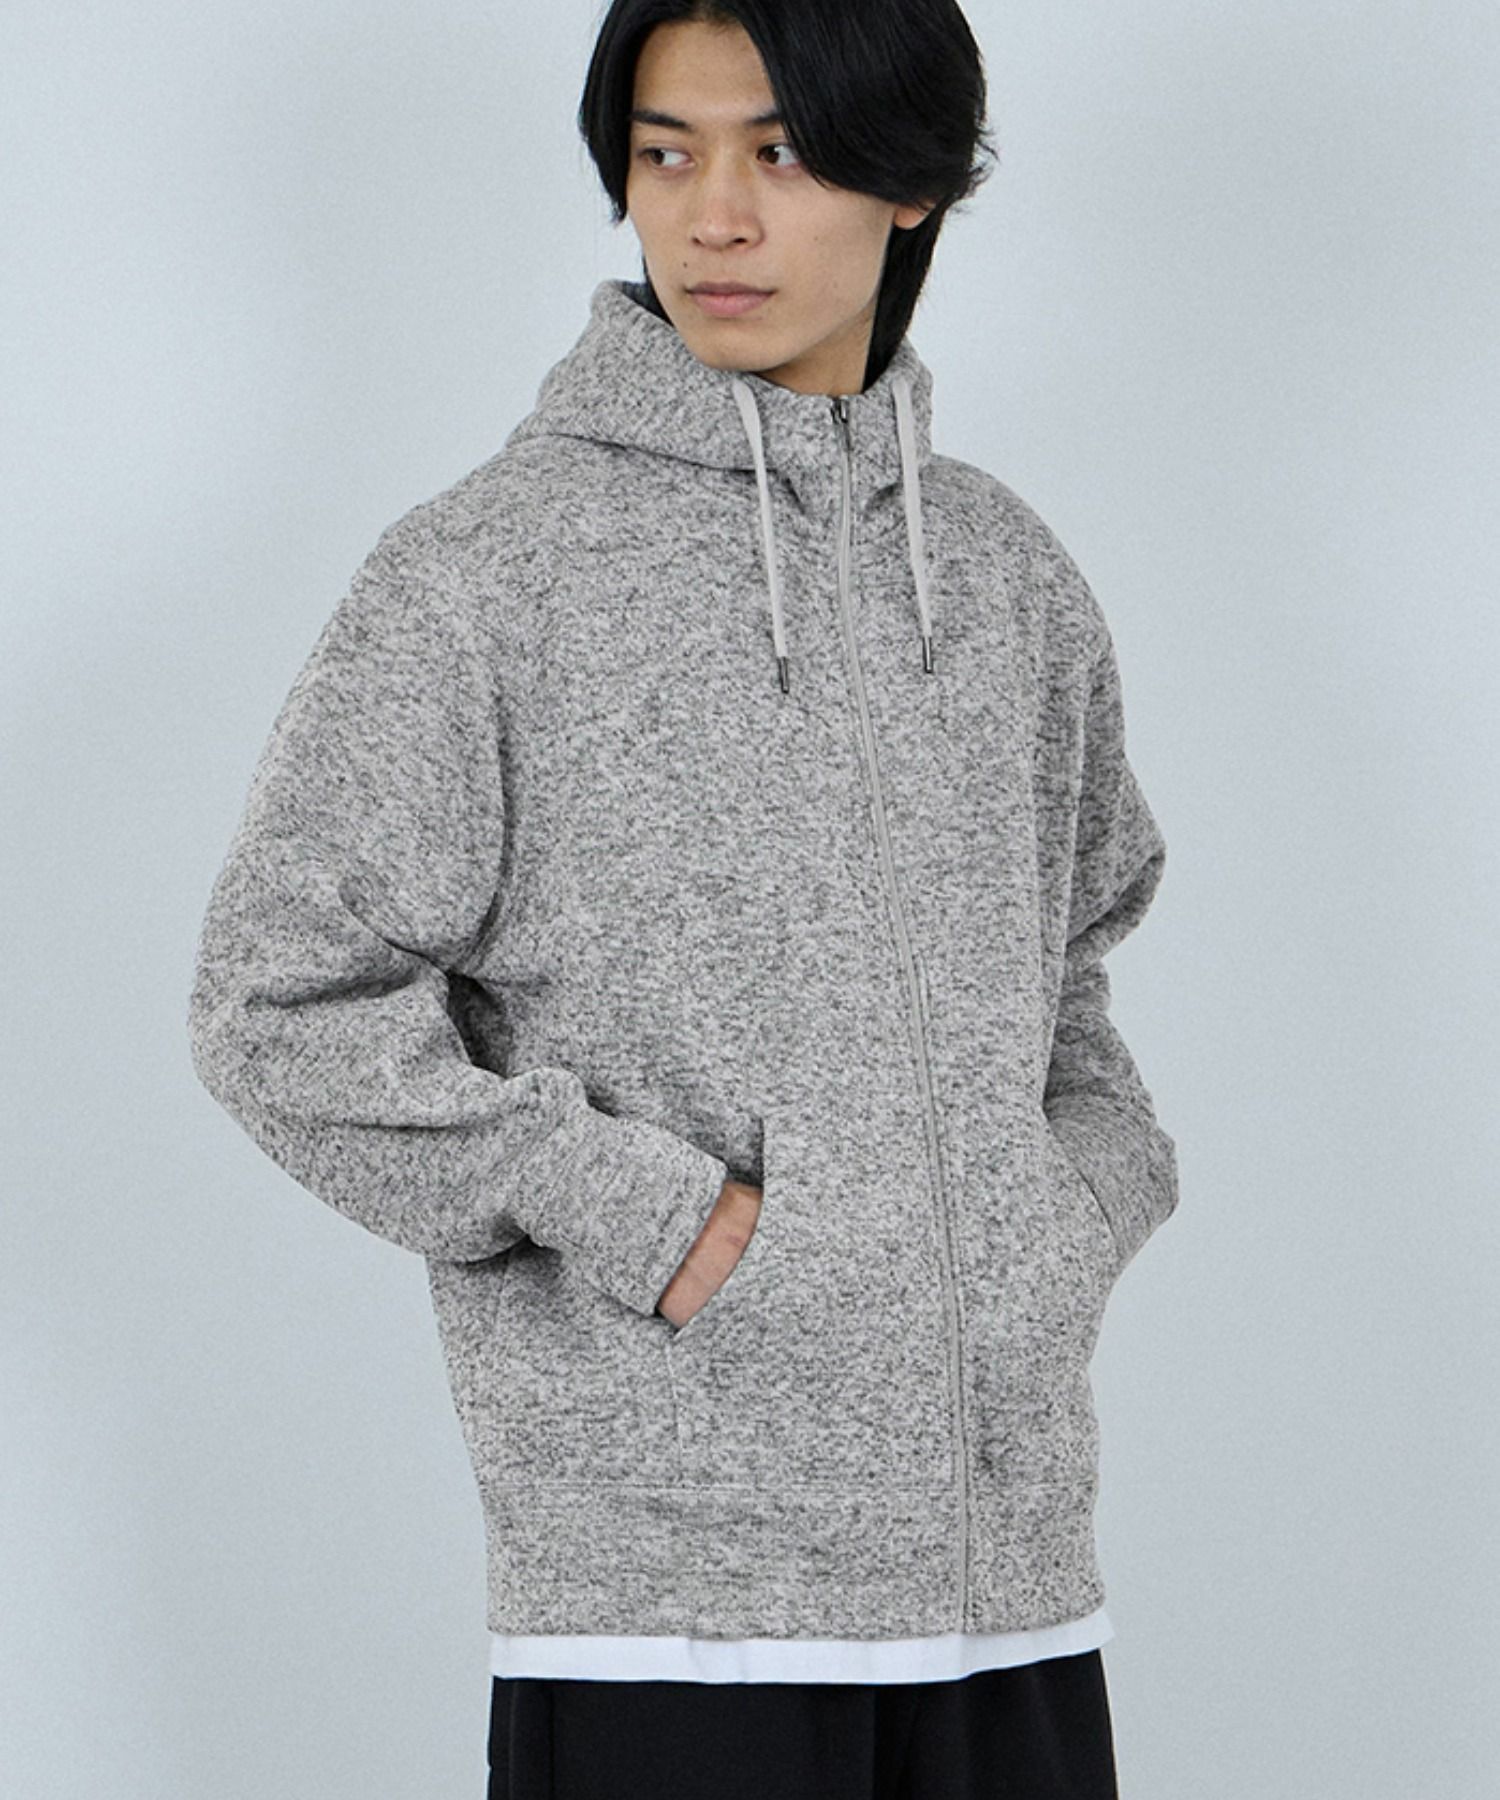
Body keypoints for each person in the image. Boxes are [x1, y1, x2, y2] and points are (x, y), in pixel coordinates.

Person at [186, 1, 1181, 1794]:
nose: (714, 215)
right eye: (666, 153)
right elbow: (278, 1006)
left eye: (779, 152)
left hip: (1013, 1592)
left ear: (914, 181)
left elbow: (1074, 963)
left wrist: (1074, 1207)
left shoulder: (1008, 577)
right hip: (666, 1616)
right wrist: (655, 1220)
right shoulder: (481, 576)